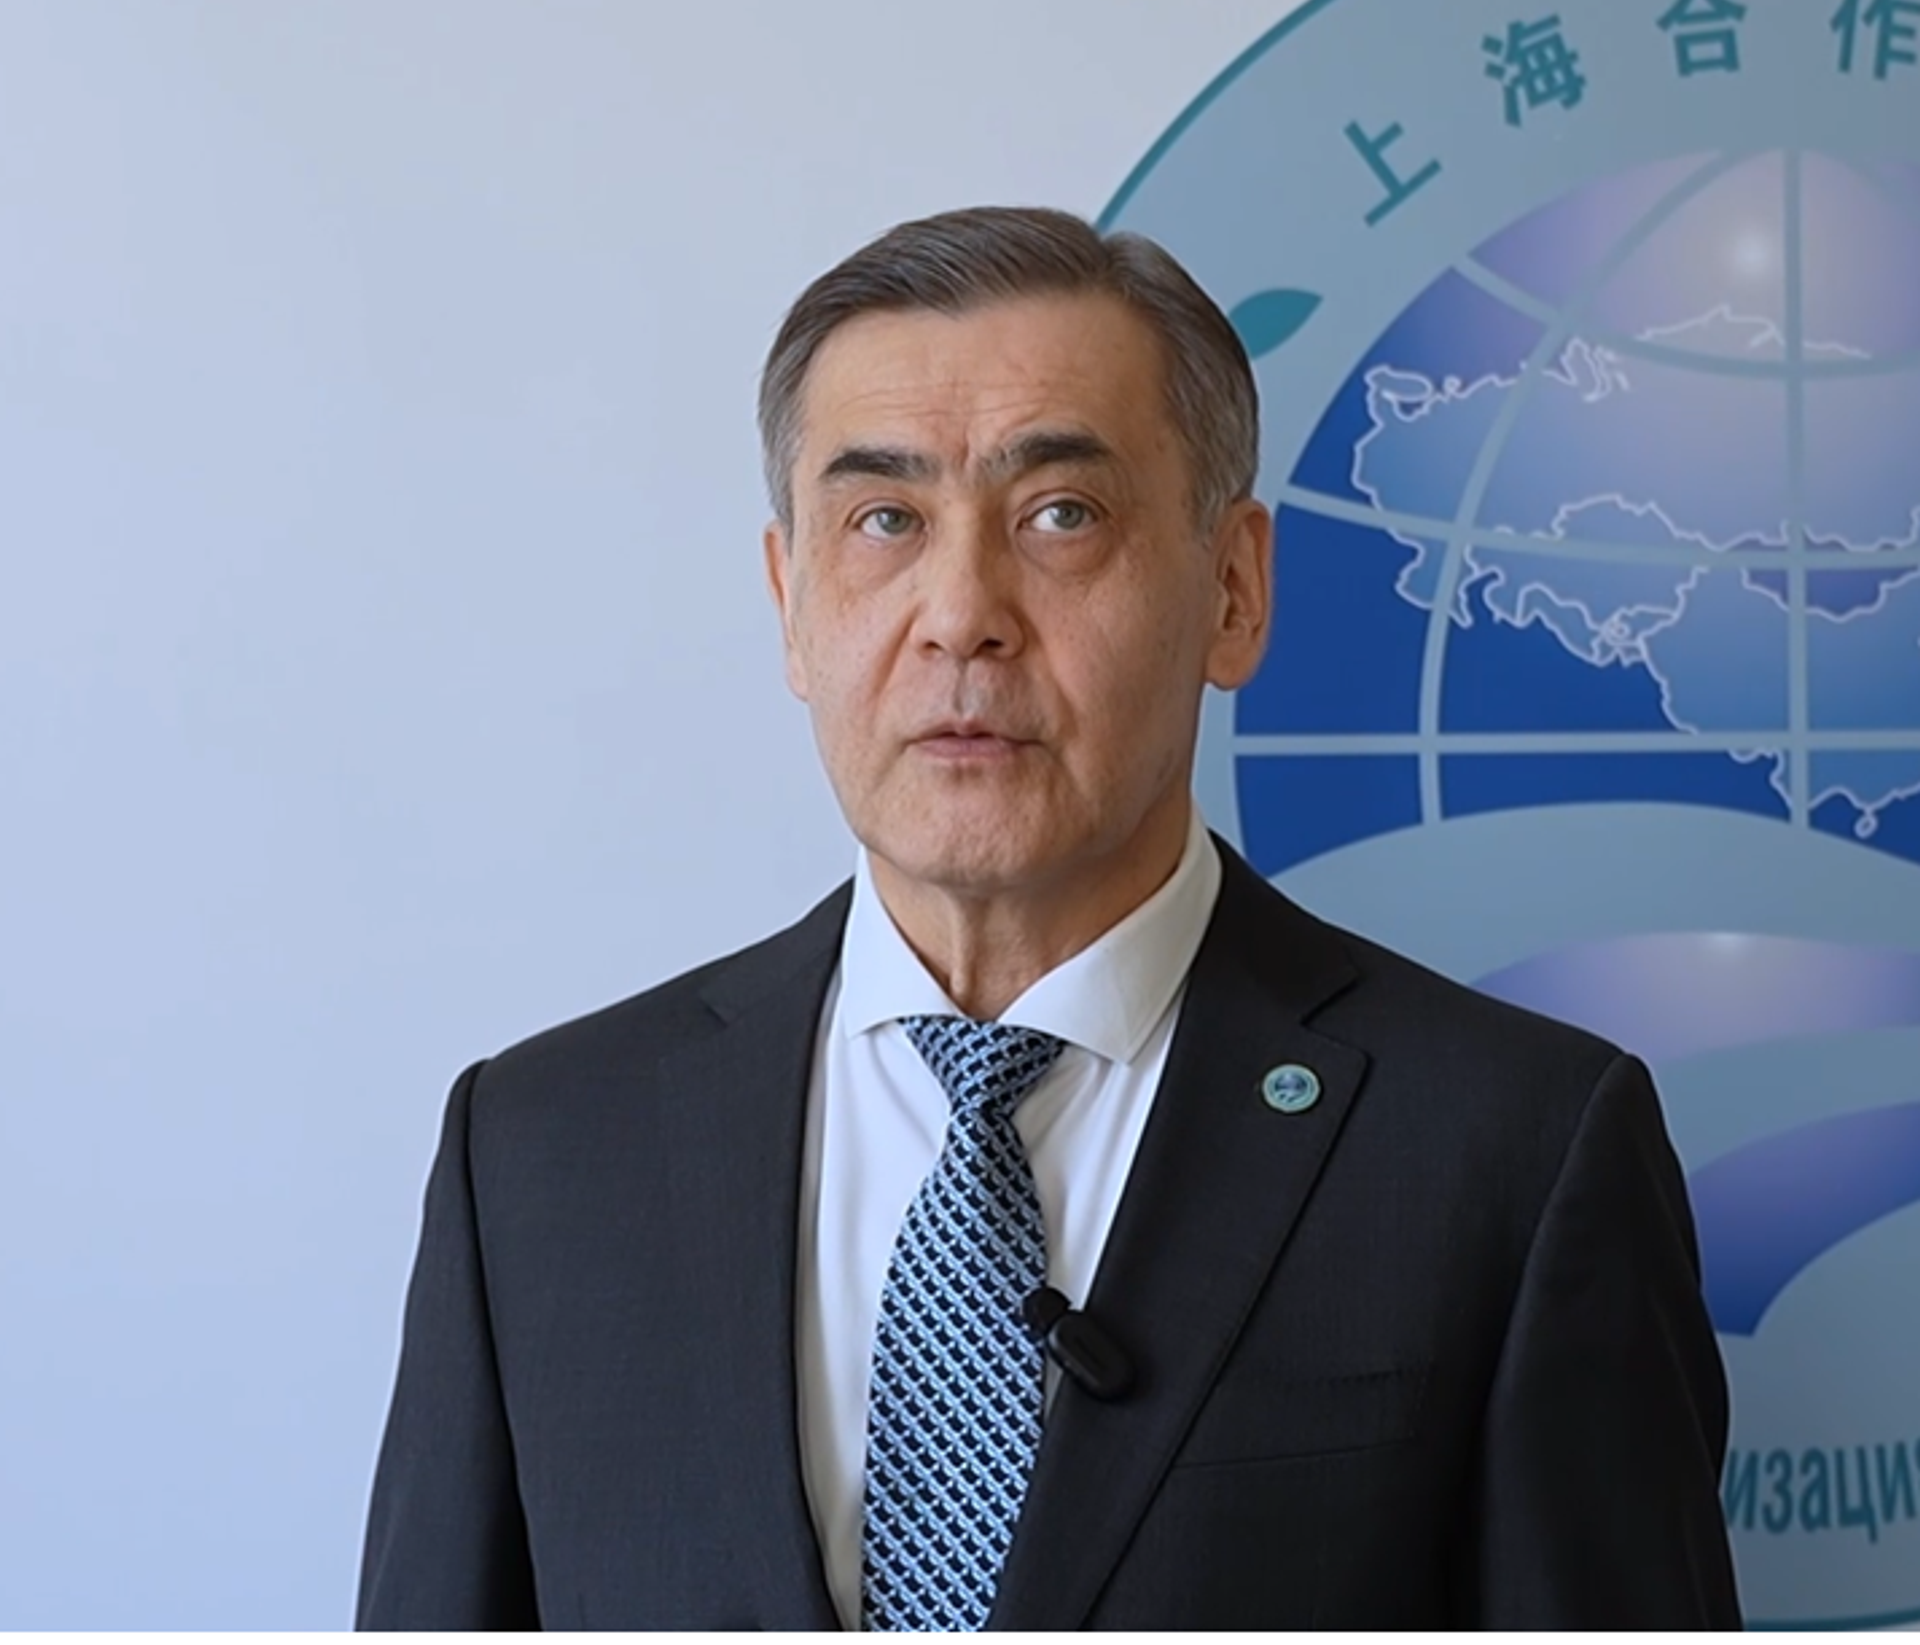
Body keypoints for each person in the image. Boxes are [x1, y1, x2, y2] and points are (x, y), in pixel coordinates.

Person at [356, 207, 1741, 1630]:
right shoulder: (539, 1158)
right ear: (791, 604)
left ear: (1234, 589)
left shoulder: (1511, 1153)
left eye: (1060, 515)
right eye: (884, 522)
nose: (961, 614)